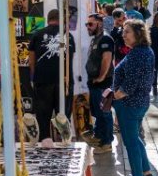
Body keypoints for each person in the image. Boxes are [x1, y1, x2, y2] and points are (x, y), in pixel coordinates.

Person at [113, 20, 155, 176]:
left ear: (138, 34)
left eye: (127, 32)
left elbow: (131, 83)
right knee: (135, 139)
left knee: (130, 142)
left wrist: (116, 94)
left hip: (130, 104)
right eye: (123, 31)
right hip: (138, 103)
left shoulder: (138, 54)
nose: (123, 35)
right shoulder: (144, 51)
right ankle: (146, 174)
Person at [28, 9, 75, 140]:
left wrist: (35, 77)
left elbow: (31, 61)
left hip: (43, 80)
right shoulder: (68, 36)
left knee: (43, 115)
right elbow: (71, 58)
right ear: (60, 19)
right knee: (64, 114)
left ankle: (46, 141)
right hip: (64, 80)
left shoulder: (37, 35)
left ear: (48, 19)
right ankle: (65, 141)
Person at [85, 13, 115, 154]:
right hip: (94, 83)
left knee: (104, 113)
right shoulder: (95, 39)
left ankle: (107, 142)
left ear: (100, 24)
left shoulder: (105, 39)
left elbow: (106, 59)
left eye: (90, 24)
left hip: (103, 83)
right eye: (87, 24)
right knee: (98, 112)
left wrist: (101, 77)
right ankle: (99, 137)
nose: (88, 27)